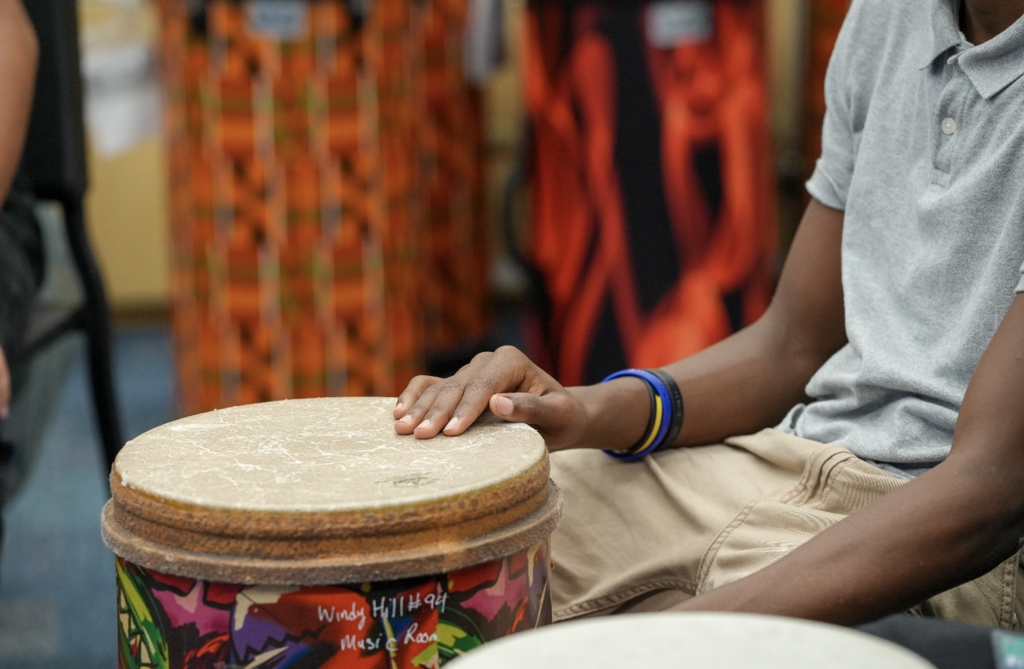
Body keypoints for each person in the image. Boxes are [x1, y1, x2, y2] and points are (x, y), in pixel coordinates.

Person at [394, 0, 1024, 629]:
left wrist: (682, 632)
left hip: (934, 533)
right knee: (445, 546)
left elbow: (991, 490)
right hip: (787, 461)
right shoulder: (888, 16)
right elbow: (792, 345)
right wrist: (582, 411)